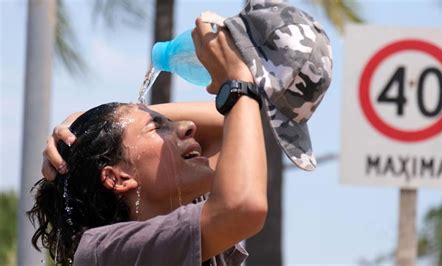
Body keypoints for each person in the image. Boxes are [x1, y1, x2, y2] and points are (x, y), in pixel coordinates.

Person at [29, 17, 267, 265]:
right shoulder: (103, 251)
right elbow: (243, 206)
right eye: (157, 127)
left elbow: (232, 124)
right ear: (117, 178)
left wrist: (103, 118)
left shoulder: (188, 225)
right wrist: (238, 80)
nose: (189, 126)